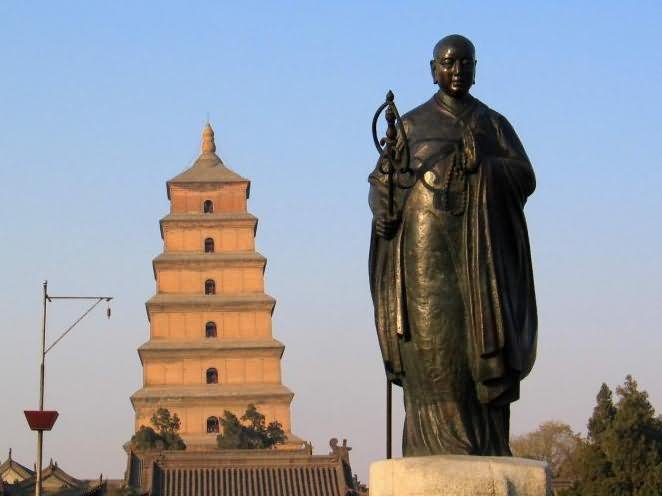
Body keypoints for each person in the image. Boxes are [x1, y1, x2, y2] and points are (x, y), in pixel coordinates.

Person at [368, 34, 538, 456]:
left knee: (477, 342)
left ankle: (485, 443)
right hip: (425, 251)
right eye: (448, 63)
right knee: (431, 344)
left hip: (480, 252)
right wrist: (386, 207)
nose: (457, 70)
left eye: (465, 63)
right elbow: (381, 182)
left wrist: (486, 163)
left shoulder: (493, 124)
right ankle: (432, 445)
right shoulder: (409, 125)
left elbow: (525, 177)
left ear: (476, 69)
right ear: (433, 70)